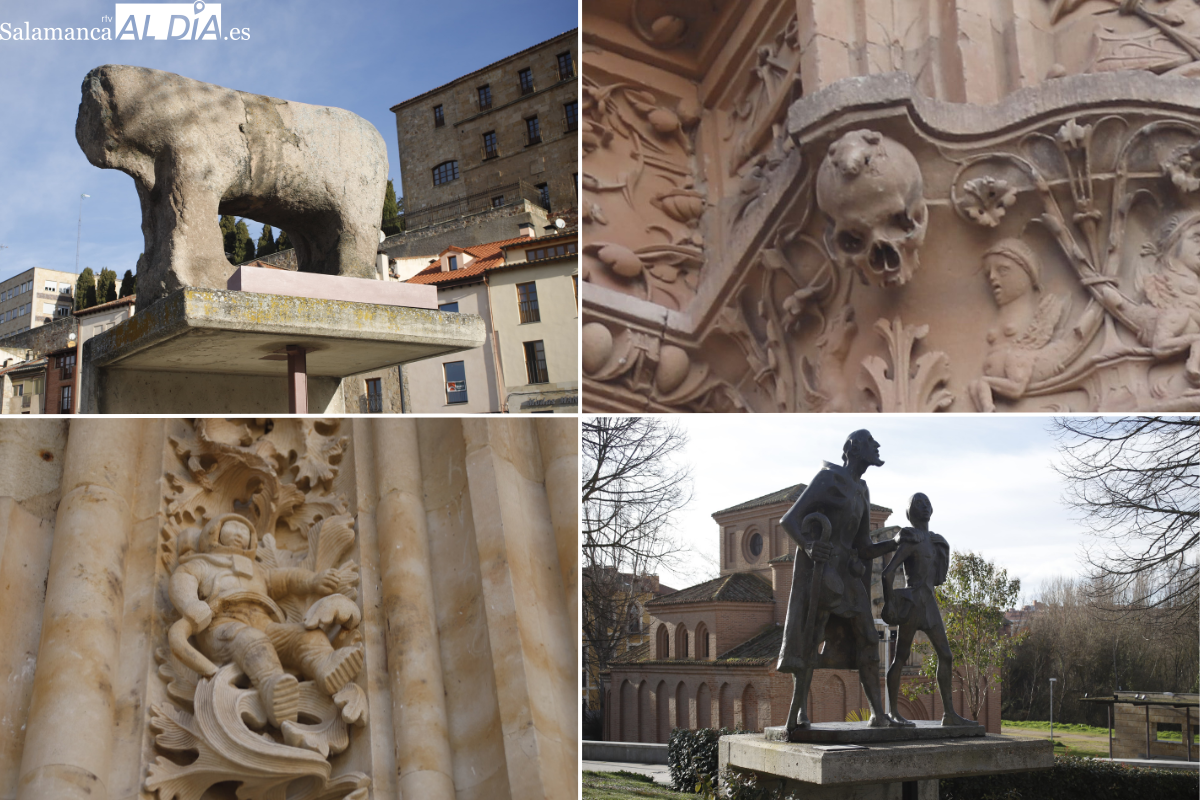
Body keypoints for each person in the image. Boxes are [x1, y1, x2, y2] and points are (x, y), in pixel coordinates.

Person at [169, 513, 364, 728]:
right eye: (232, 528)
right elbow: (182, 580)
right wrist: (191, 605)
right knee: (251, 640)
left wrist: (313, 581)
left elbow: (287, 579)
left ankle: (325, 666)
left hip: (263, 621)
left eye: (245, 531)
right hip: (222, 625)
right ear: (213, 533)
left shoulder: (257, 571)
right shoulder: (201, 565)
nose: (239, 534)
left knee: (304, 635)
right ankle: (273, 687)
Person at [777, 430, 899, 732]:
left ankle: (877, 715)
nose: (878, 446)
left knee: (869, 639)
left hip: (849, 575)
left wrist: (894, 542)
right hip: (824, 573)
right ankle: (800, 712)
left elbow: (864, 545)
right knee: (811, 636)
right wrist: (807, 544)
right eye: (872, 442)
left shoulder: (862, 490)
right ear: (855, 449)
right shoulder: (827, 478)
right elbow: (789, 520)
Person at [880, 493, 975, 726]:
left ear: (932, 510)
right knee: (900, 658)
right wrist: (891, 603)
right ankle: (893, 713)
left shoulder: (935, 541)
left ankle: (949, 715)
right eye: (918, 504)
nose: (923, 507)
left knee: (946, 655)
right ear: (910, 512)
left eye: (926, 503)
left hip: (929, 604)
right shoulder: (910, 538)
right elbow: (888, 573)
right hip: (913, 604)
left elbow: (939, 578)